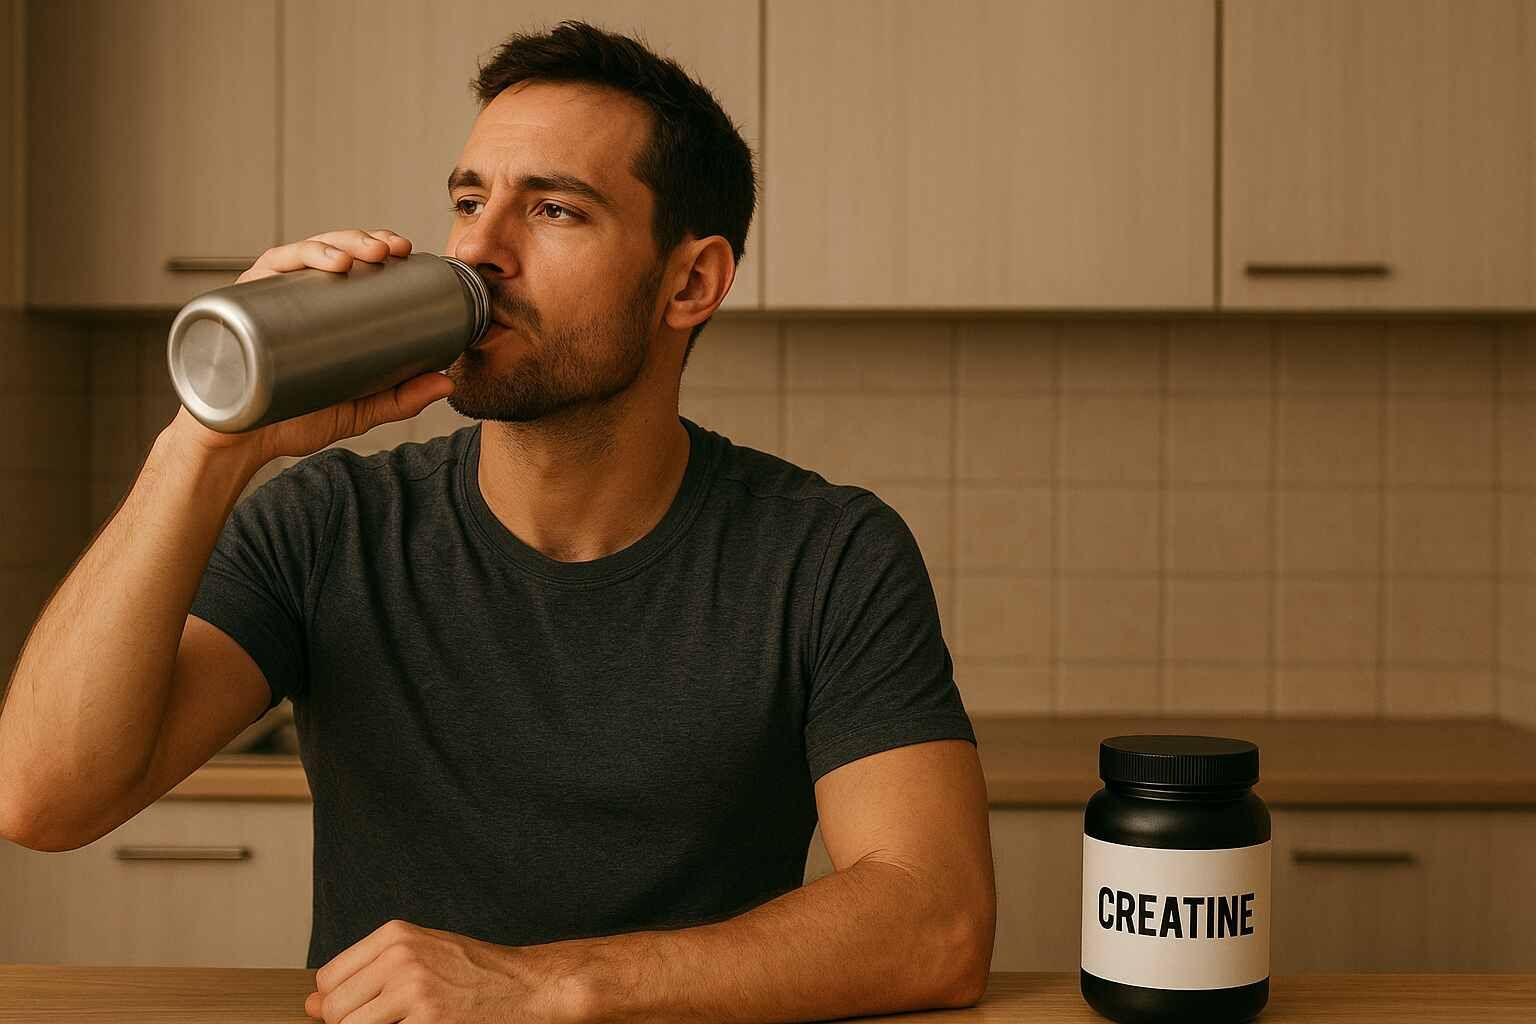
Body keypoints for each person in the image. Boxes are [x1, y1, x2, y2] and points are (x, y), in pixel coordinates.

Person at [0, 20, 994, 1023]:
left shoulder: (825, 554)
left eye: (554, 208)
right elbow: (43, 799)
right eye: (468, 201)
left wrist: (547, 986)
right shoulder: (328, 525)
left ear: (691, 282)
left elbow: (935, 921)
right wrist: (208, 440)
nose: (477, 249)